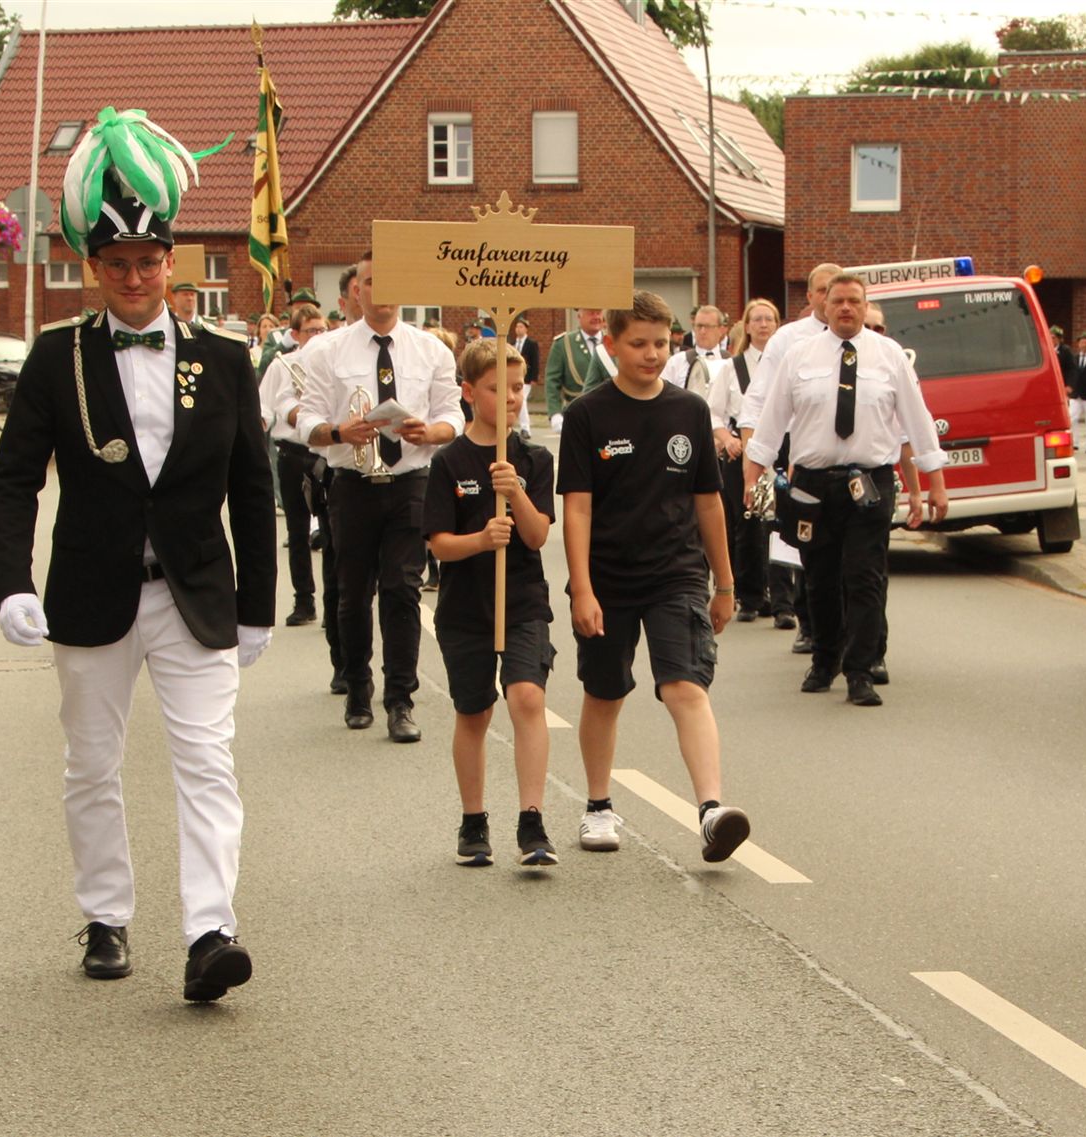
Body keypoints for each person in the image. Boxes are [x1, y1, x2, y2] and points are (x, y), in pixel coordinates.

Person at [0, 108, 275, 1000]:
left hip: (195, 594)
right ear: (94, 267)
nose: (135, 277)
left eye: (149, 262)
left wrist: (259, 604)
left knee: (207, 762)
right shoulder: (56, 357)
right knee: (92, 763)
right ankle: (106, 913)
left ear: (170, 263)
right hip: (91, 591)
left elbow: (252, 488)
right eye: (117, 264)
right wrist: (11, 582)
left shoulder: (223, 360)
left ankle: (210, 932)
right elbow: (13, 480)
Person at [560, 290, 750, 864]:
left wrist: (725, 584)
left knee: (685, 686)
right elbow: (577, 509)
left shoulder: (689, 410)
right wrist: (582, 588)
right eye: (638, 344)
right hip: (607, 577)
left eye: (661, 344)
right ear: (612, 344)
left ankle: (711, 810)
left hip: (677, 573)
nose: (651, 354)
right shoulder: (587, 415)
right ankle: (598, 806)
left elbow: (708, 502)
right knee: (604, 692)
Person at [744, 274, 948, 707]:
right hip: (814, 485)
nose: (846, 308)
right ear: (824, 306)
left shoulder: (889, 356)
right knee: (819, 579)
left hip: (869, 483)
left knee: (864, 577)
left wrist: (935, 484)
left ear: (864, 304)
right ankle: (824, 660)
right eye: (837, 300)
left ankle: (861, 671)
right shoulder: (799, 355)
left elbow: (917, 420)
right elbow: (772, 418)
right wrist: (753, 472)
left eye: (854, 301)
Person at [296, 251, 463, 743]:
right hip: (352, 485)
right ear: (356, 290)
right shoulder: (327, 350)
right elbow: (307, 420)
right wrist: (338, 431)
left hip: (410, 483)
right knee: (352, 595)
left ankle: (400, 700)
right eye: (371, 282)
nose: (381, 293)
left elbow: (453, 414)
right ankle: (357, 689)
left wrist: (431, 431)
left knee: (402, 590)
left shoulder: (430, 350)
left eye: (391, 282)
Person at [424, 339, 558, 867]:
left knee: (526, 697)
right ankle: (473, 820)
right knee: (474, 710)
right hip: (466, 608)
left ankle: (532, 819)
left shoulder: (533, 459)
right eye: (496, 388)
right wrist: (480, 540)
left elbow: (537, 535)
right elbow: (439, 544)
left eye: (518, 388)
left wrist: (516, 492)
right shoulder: (448, 462)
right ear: (468, 392)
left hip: (522, 601)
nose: (510, 398)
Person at [742, 262, 842, 655]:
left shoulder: (865, 337)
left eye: (837, 289)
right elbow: (759, 399)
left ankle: (855, 635)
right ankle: (809, 624)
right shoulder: (789, 340)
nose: (831, 298)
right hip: (796, 451)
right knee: (804, 542)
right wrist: (755, 464)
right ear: (811, 296)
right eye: (823, 290)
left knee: (850, 553)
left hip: (848, 455)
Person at [706, 299, 788, 626]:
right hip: (741, 451)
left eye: (770, 319)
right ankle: (750, 596)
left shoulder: (788, 363)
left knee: (781, 525)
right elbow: (713, 412)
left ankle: (783, 601)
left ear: (778, 325)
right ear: (747, 326)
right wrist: (727, 439)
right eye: (758, 319)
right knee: (746, 523)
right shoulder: (732, 368)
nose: (764, 324)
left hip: (781, 450)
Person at [259, 303, 330, 626]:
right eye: (311, 331)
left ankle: (333, 603)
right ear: (295, 334)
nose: (318, 336)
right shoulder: (282, 365)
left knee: (331, 532)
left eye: (322, 330)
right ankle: (304, 601)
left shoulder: (332, 364)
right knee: (297, 532)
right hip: (291, 452)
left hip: (324, 453)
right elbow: (264, 408)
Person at [543, 307, 615, 432]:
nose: (596, 317)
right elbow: (552, 381)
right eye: (591, 313)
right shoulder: (563, 344)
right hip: (577, 414)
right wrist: (555, 413)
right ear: (579, 316)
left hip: (610, 412)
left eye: (598, 312)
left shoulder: (613, 342)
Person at [661, 304, 729, 394]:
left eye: (708, 326)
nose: (702, 331)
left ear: (721, 330)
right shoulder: (677, 362)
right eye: (699, 326)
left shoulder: (730, 362)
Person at [510, 316, 541, 440]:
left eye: (521, 327)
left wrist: (534, 377)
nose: (518, 329)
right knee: (519, 401)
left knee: (522, 401)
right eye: (517, 327)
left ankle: (525, 428)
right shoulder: (512, 344)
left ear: (526, 329)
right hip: (513, 378)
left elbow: (535, 361)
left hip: (526, 378)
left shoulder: (531, 344)